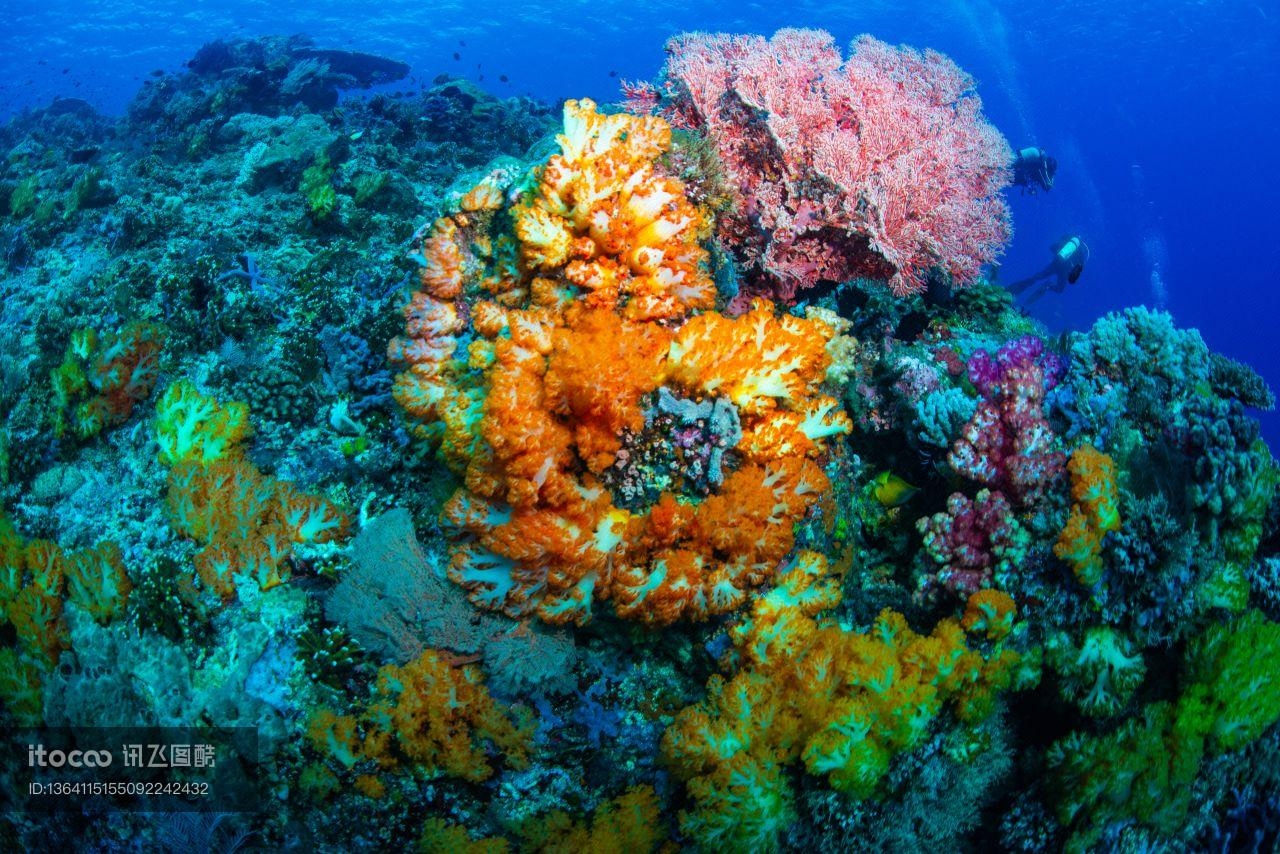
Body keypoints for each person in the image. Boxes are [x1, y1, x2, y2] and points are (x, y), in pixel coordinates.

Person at [1008, 236, 1090, 303]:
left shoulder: (1066, 242)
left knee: (1038, 276)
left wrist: (1059, 254)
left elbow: (1052, 247)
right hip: (1065, 271)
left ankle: (1018, 287)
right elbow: (1076, 272)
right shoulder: (1081, 254)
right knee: (1060, 289)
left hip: (1056, 263)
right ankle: (1047, 286)